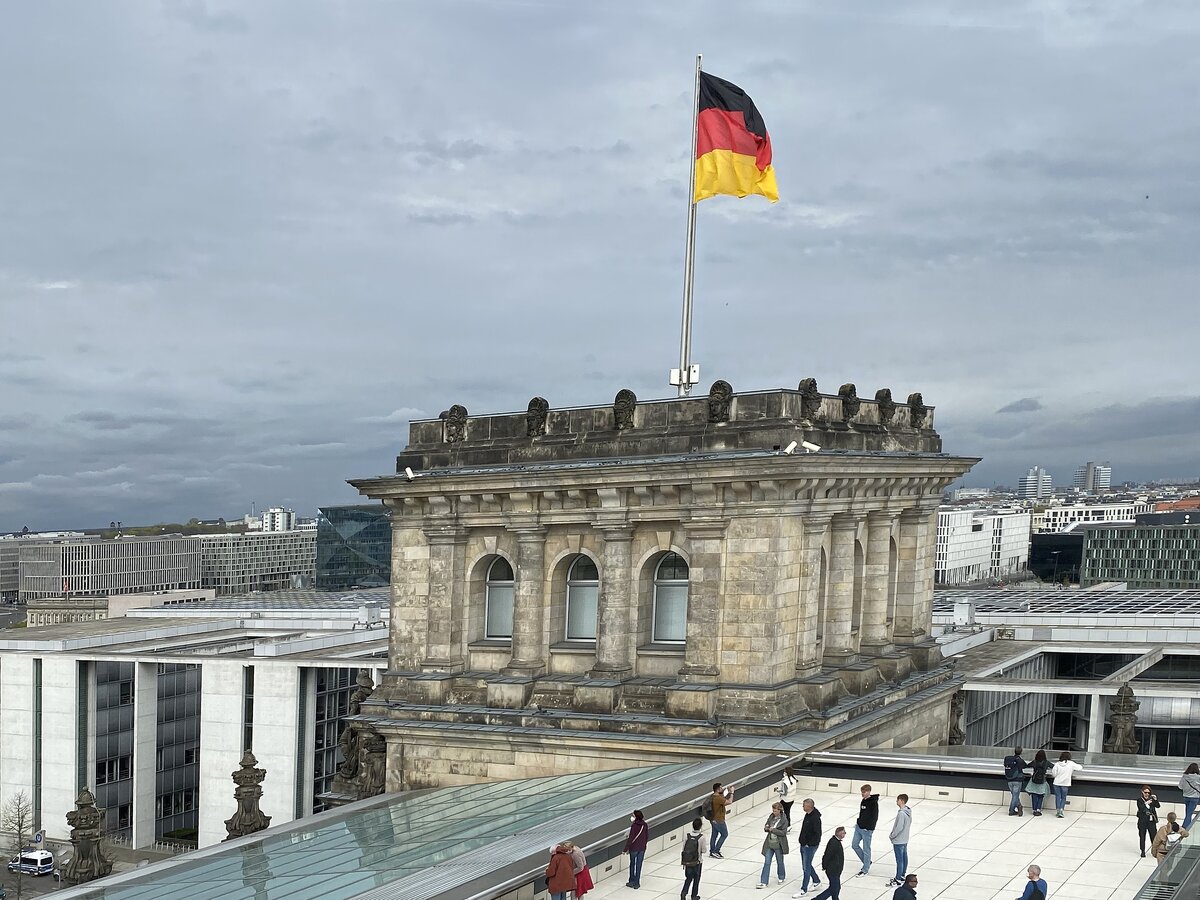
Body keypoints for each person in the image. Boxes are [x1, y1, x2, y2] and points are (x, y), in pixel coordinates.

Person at [802, 827, 845, 900]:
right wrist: (825, 866)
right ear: (840, 833)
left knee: (835, 888)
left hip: (835, 870)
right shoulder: (834, 843)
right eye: (844, 833)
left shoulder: (835, 842)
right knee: (834, 888)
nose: (845, 834)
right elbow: (827, 855)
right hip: (833, 870)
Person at [757, 801, 790, 888]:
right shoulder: (771, 817)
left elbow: (783, 832)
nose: (774, 812)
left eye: (775, 811)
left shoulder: (784, 820)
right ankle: (764, 881)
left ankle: (781, 876)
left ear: (780, 810)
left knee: (780, 861)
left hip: (778, 844)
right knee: (767, 862)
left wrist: (773, 830)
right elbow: (767, 824)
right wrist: (767, 827)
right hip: (769, 843)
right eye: (773, 810)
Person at [796, 798, 823, 895]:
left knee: (806, 867)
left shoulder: (815, 818)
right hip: (804, 844)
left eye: (804, 805)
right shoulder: (807, 815)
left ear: (809, 806)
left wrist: (809, 844)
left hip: (809, 846)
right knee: (806, 864)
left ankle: (804, 889)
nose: (803, 807)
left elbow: (817, 834)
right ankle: (816, 880)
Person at [852, 784, 879, 877]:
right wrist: (858, 823)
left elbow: (874, 817)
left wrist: (869, 828)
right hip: (859, 827)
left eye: (864, 792)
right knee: (854, 845)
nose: (862, 794)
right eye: (862, 792)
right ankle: (866, 861)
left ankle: (865, 868)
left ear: (868, 792)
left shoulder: (873, 803)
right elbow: (862, 813)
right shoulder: (863, 801)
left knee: (866, 849)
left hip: (867, 830)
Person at [886, 794, 912, 888]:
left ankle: (898, 879)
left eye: (897, 800)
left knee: (899, 859)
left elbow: (899, 827)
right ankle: (902, 875)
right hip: (905, 839)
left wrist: (892, 836)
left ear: (901, 801)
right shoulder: (908, 811)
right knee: (904, 857)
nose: (896, 802)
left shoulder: (901, 813)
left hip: (899, 840)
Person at [1050, 751, 1083, 818]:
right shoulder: (1071, 764)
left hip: (1056, 783)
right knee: (1063, 797)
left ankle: (1058, 810)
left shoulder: (1057, 764)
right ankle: (1061, 810)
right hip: (1065, 783)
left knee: (1058, 797)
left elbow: (1054, 774)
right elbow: (1080, 768)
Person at [706, 782, 734, 859]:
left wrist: (726, 791)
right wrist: (731, 792)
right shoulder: (718, 798)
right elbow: (729, 802)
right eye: (721, 788)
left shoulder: (713, 796)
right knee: (724, 834)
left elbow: (722, 797)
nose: (722, 789)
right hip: (719, 820)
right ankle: (716, 851)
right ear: (718, 789)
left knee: (714, 835)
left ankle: (712, 851)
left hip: (713, 819)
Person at [623, 810, 649, 889]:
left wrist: (625, 849)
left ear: (636, 817)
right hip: (642, 848)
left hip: (634, 848)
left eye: (633, 815)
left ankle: (631, 881)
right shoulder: (644, 825)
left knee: (632, 864)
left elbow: (630, 838)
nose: (632, 817)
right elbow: (647, 836)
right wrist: (644, 844)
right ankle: (637, 883)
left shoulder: (634, 826)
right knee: (639, 865)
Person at [680, 818, 704, 900]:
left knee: (688, 878)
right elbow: (704, 850)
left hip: (687, 861)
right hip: (697, 862)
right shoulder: (701, 837)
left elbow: (683, 847)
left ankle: (684, 892)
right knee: (696, 879)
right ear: (700, 826)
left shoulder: (687, 836)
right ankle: (694, 896)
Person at [1003, 746, 1029, 816]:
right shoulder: (1019, 760)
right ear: (1021, 752)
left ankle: (1019, 807)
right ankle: (1011, 810)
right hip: (1017, 780)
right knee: (1015, 796)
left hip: (1009, 780)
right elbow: (1025, 766)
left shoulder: (1008, 759)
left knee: (1014, 795)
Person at [1136, 785, 1161, 858]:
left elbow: (1158, 806)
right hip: (1143, 821)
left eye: (1148, 793)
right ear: (1142, 792)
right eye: (1145, 792)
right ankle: (1142, 851)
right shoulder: (1139, 800)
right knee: (1142, 836)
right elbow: (1141, 808)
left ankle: (1155, 850)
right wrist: (1146, 803)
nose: (1147, 794)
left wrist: (1155, 800)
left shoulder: (1152, 800)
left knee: (1153, 836)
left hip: (1151, 821)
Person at [1025, 750, 1051, 816]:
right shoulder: (1046, 762)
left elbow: (1027, 765)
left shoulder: (1034, 762)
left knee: (1034, 795)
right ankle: (1038, 809)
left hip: (1034, 780)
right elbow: (1053, 766)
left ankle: (1034, 809)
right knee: (1041, 795)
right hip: (1042, 781)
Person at [1179, 762, 1200, 830]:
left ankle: (1187, 827)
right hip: (1195, 797)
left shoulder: (1184, 776)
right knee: (1189, 813)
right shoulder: (1198, 777)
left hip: (1186, 796)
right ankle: (1185, 828)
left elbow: (1180, 786)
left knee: (1188, 813)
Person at [778, 765, 798, 830]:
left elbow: (784, 792)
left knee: (781, 812)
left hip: (785, 800)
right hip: (791, 799)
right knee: (787, 812)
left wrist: (778, 791)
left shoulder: (785, 781)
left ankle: (785, 825)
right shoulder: (794, 780)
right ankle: (788, 825)